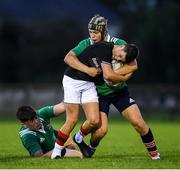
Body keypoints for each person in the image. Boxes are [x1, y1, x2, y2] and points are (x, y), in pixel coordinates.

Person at [65, 14, 160, 160]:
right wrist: (87, 70)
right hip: (99, 94)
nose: (92, 36)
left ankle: (155, 155)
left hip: (120, 92)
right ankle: (91, 148)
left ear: (104, 31)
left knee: (138, 122)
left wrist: (115, 75)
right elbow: (69, 58)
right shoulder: (86, 43)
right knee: (101, 131)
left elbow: (134, 64)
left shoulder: (118, 43)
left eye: (95, 32)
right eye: (90, 32)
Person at [51, 41, 138, 159]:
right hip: (73, 81)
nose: (118, 58)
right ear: (121, 46)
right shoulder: (104, 48)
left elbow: (130, 67)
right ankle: (56, 152)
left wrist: (119, 76)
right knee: (72, 120)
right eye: (120, 56)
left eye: (121, 60)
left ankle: (78, 137)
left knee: (94, 120)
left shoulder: (111, 57)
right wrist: (124, 77)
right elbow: (108, 75)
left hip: (89, 84)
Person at [16, 102, 83, 158]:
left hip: (56, 139)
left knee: (72, 144)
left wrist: (74, 100)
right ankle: (59, 151)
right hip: (52, 151)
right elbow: (39, 156)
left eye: (36, 117)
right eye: (32, 121)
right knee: (79, 155)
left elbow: (63, 106)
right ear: (23, 124)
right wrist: (59, 149)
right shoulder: (27, 136)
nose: (36, 121)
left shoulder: (41, 113)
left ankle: (62, 148)